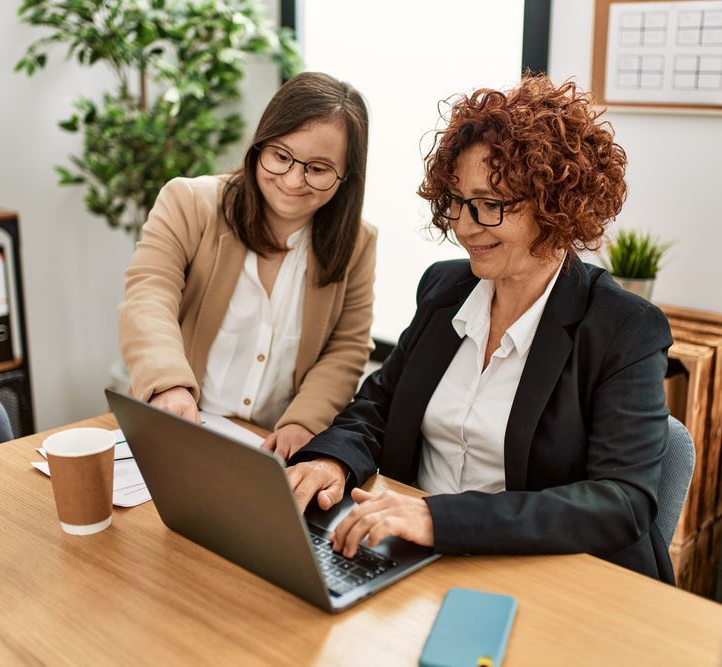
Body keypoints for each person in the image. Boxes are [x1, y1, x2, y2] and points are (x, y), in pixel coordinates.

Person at [287, 74, 676, 583]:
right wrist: (332, 460)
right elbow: (380, 404)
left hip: (541, 576)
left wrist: (438, 518)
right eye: (456, 201)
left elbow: (621, 501)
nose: (465, 226)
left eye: (490, 205)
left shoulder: (624, 328)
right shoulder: (444, 289)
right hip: (411, 558)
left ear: (557, 204)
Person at [119, 72, 376, 459]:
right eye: (281, 156)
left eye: (318, 169)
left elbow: (347, 345)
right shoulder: (189, 202)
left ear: (346, 178)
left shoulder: (358, 242)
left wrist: (304, 422)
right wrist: (167, 386)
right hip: (182, 426)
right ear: (260, 147)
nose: (293, 180)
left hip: (269, 449)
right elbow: (149, 296)